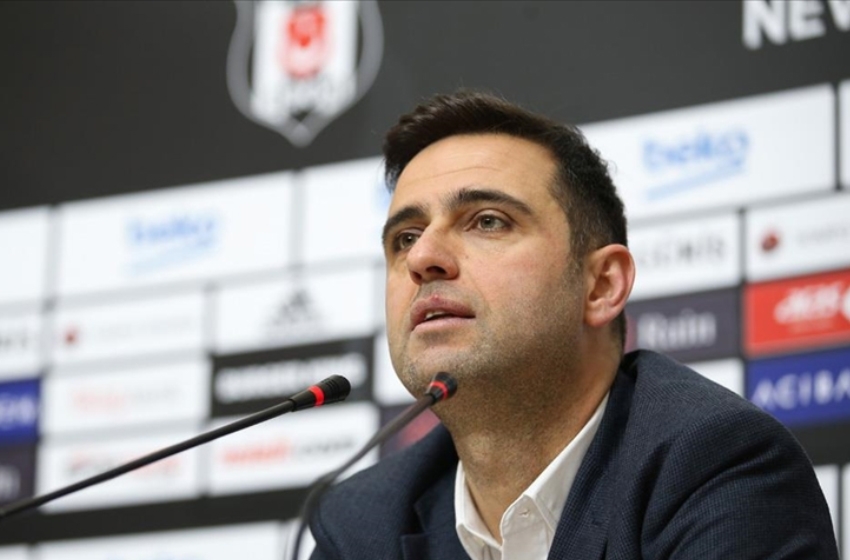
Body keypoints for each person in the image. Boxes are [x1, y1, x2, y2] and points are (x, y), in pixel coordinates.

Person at [308, 91, 838, 559]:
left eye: (487, 221)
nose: (423, 257)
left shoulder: (716, 467)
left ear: (601, 285)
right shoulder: (363, 521)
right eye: (405, 238)